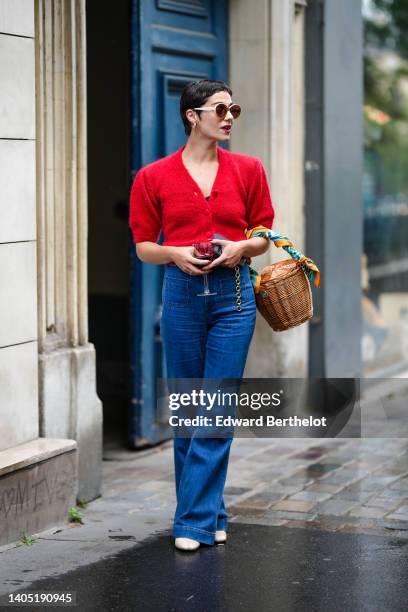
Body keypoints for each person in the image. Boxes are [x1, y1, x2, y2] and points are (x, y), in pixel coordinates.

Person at [129, 79, 274, 551]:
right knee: (189, 411)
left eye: (234, 108)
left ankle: (190, 522)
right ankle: (210, 512)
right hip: (182, 298)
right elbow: (144, 247)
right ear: (192, 115)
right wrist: (174, 253)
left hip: (234, 298)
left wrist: (241, 247)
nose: (230, 116)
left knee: (214, 409)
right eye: (220, 108)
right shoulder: (153, 177)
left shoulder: (249, 169)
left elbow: (263, 234)